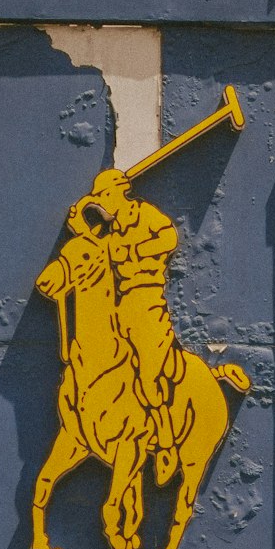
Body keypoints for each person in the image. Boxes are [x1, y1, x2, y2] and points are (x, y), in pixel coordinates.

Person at [67, 168, 183, 479]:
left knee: (147, 377)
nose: (102, 204)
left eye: (104, 196)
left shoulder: (144, 214)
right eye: (99, 199)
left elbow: (170, 237)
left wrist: (138, 250)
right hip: (123, 306)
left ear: (120, 192)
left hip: (148, 303)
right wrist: (80, 227)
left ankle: (167, 443)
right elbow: (95, 253)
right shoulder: (111, 232)